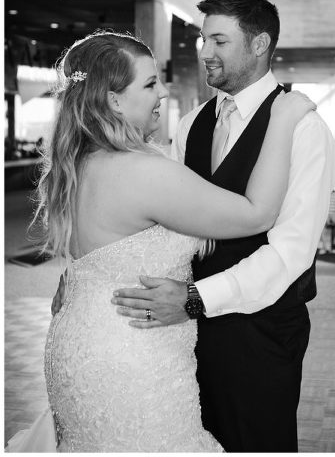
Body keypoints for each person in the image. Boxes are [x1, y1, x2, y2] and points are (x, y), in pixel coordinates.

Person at [16, 31, 315, 451]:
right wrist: (282, 117)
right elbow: (257, 213)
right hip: (132, 354)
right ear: (114, 100)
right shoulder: (143, 172)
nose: (163, 92)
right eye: (150, 83)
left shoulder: (76, 165)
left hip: (78, 340)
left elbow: (100, 256)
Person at [107, 0, 335, 451]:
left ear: (259, 44)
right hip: (185, 329)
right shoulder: (193, 124)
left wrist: (197, 298)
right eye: (202, 40)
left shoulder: (306, 130)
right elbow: (165, 224)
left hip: (261, 331)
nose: (205, 52)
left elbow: (290, 254)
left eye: (219, 41)